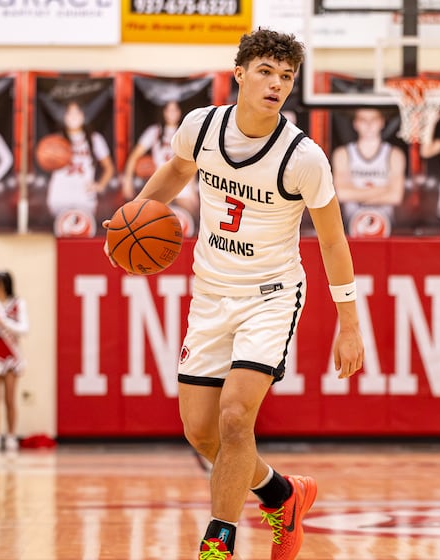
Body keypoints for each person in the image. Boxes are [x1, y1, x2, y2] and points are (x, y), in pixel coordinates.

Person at [103, 28, 363, 560]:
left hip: (271, 295)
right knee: (201, 433)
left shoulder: (303, 158)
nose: (276, 84)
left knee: (235, 416)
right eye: (265, 72)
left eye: (286, 77)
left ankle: (218, 542)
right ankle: (282, 494)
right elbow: (176, 171)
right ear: (239, 74)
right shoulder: (200, 128)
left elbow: (333, 240)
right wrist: (128, 220)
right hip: (211, 293)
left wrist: (350, 323)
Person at [121, 100, 199, 236]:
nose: (172, 113)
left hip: (184, 180)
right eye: (169, 110)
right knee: (151, 222)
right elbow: (134, 156)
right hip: (162, 180)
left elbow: (192, 161)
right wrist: (127, 179)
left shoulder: (186, 131)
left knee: (193, 219)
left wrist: (192, 189)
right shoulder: (154, 131)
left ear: (180, 113)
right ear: (164, 113)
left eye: (175, 110)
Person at [331, 108, 405, 236]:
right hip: (350, 227)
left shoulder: (394, 154)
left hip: (387, 227)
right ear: (355, 123)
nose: (369, 124)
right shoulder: (342, 154)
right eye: (363, 120)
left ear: (382, 122)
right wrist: (384, 189)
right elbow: (341, 194)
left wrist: (357, 195)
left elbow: (396, 196)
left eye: (374, 119)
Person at [46, 101, 114, 234]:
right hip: (60, 194)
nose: (73, 116)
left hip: (84, 195)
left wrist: (100, 185)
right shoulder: (56, 140)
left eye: (76, 112)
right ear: (64, 117)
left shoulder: (95, 139)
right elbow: (45, 163)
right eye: (69, 113)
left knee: (83, 236)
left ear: (83, 116)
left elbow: (109, 167)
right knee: (61, 237)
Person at [0, 270, 29, 452]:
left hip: (11, 353)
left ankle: (11, 435)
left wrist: (2, 322)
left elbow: (24, 329)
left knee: (10, 398)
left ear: (3, 284)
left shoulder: (18, 303)